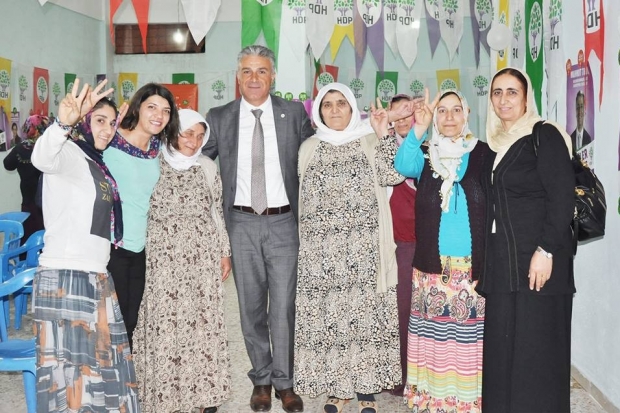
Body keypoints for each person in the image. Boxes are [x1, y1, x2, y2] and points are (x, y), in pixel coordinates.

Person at [203, 44, 314, 413]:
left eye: (262, 71)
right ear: (237, 77)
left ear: (273, 75)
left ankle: (285, 382)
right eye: (247, 71)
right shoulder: (219, 117)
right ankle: (261, 380)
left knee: (283, 307)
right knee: (250, 307)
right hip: (240, 224)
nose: (254, 78)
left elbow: (318, 153)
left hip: (284, 223)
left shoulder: (293, 113)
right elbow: (197, 162)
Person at [295, 83, 406, 413]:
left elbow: (393, 175)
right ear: (319, 111)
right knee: (333, 322)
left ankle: (366, 390)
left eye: (341, 103)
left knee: (364, 321)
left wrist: (383, 134)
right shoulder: (309, 147)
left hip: (365, 250)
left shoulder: (369, 138)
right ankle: (338, 391)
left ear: (352, 107)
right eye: (327, 104)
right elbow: (304, 202)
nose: (334, 110)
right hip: (323, 255)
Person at [31, 79, 139, 412]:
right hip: (66, 277)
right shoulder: (69, 152)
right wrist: (62, 124)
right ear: (84, 121)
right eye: (99, 121)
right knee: (74, 381)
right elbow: (42, 158)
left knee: (103, 370)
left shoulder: (96, 161)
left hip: (95, 275)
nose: (107, 129)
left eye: (112, 123)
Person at [477, 67, 575, 412]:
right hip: (505, 265)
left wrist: (545, 250)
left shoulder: (543, 135)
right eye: (497, 92)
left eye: (512, 92)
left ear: (526, 97)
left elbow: (562, 197)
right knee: (504, 352)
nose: (503, 100)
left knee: (537, 352)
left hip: (539, 262)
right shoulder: (494, 145)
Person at [393, 89, 488, 412]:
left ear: (467, 114)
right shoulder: (425, 155)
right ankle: (434, 399)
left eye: (456, 110)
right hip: (432, 269)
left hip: (471, 269)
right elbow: (402, 164)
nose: (449, 117)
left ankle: (468, 400)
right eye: (442, 111)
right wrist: (419, 128)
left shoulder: (483, 154)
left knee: (466, 342)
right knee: (435, 340)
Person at [132, 109, 232, 413]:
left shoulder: (207, 167)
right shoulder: (152, 163)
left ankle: (203, 395)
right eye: (188, 133)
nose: (194, 141)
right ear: (172, 132)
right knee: (166, 325)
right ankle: (166, 397)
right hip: (161, 261)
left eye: (200, 136)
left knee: (202, 326)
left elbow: (216, 211)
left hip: (202, 259)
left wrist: (224, 252)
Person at [103, 83, 179, 349]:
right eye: (152, 107)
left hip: (140, 246)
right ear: (137, 107)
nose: (159, 115)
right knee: (111, 319)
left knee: (131, 319)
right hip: (111, 244)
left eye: (166, 110)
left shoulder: (158, 149)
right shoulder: (110, 141)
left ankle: (124, 372)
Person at [386, 93, 417, 397]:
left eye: (409, 114)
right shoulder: (381, 149)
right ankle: (397, 376)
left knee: (419, 313)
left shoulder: (429, 149)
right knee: (397, 311)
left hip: (424, 243)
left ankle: (417, 376)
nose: (403, 120)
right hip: (394, 245)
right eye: (398, 115)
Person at [3, 115, 48, 243]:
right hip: (47, 200)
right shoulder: (47, 147)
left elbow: (8, 165)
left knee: (28, 233)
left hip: (28, 200)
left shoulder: (20, 148)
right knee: (45, 234)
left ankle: (26, 254)